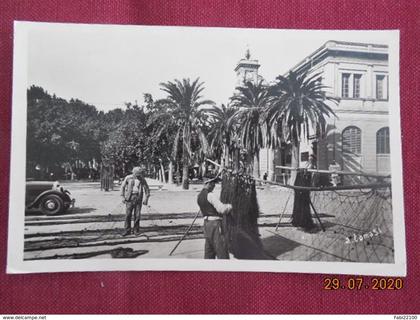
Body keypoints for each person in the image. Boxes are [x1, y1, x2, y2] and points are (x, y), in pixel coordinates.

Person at [197, 178, 232, 259]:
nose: (214, 185)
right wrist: (229, 207)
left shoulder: (199, 196)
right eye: (213, 183)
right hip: (215, 224)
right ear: (207, 183)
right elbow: (222, 209)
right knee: (221, 249)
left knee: (209, 250)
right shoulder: (210, 195)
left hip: (206, 224)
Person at [120, 166, 150, 236]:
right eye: (137, 173)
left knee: (137, 215)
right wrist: (122, 197)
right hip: (129, 198)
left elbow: (147, 189)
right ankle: (127, 230)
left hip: (138, 198)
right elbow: (122, 187)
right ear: (133, 172)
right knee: (128, 215)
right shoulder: (128, 178)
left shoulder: (142, 179)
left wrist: (146, 199)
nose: (138, 175)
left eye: (139, 174)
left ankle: (136, 230)